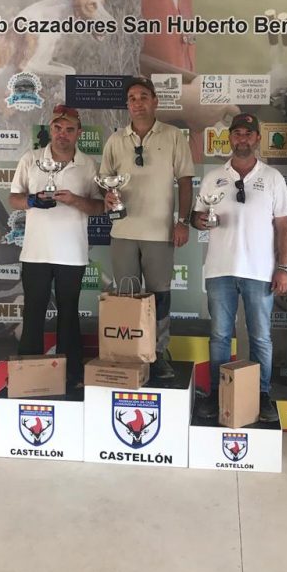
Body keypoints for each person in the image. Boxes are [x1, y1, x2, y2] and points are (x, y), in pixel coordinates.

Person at [191, 113, 287, 422]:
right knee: (220, 336)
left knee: (260, 337)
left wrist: (284, 268)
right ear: (230, 138)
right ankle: (217, 393)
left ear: (257, 138)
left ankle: (262, 394)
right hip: (219, 270)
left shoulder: (272, 178)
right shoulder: (213, 177)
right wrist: (201, 221)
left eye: (248, 134)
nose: (242, 139)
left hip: (260, 272)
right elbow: (197, 216)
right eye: (237, 133)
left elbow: (284, 226)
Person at [99, 76, 195, 379]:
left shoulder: (173, 136)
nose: (137, 103)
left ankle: (157, 354)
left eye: (143, 96)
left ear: (155, 101)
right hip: (123, 232)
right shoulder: (116, 139)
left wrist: (182, 222)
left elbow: (185, 182)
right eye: (132, 98)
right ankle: (129, 352)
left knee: (160, 296)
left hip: (159, 232)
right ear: (127, 105)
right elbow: (105, 181)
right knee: (126, 296)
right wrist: (108, 196)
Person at [9, 105, 104, 387]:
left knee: (69, 314)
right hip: (35, 253)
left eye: (69, 129)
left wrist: (75, 200)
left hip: (72, 254)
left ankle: (72, 375)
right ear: (50, 129)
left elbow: (99, 207)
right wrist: (32, 201)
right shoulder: (31, 159)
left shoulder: (88, 165)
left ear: (79, 133)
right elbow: (13, 198)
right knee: (33, 313)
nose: (63, 134)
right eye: (58, 128)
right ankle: (28, 377)